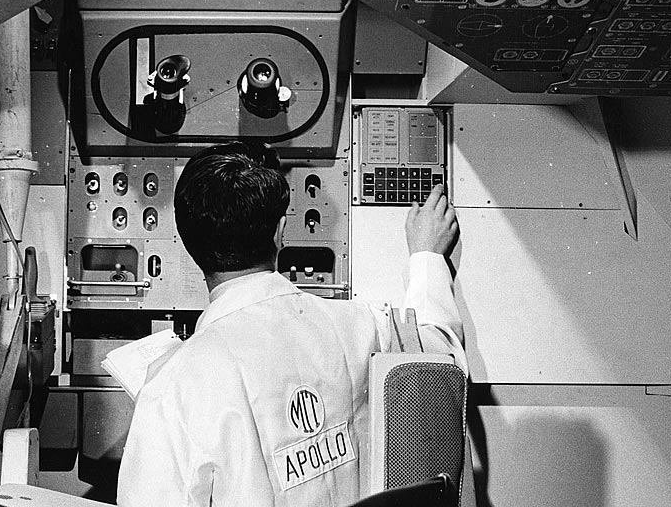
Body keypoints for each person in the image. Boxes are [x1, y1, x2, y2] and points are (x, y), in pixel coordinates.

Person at [117, 142, 465, 507]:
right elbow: (442, 360)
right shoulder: (362, 325)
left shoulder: (170, 387)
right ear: (280, 232)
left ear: (188, 244)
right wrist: (427, 256)